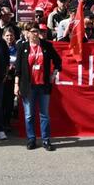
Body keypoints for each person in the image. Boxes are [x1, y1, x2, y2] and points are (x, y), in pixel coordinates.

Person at [14, 22, 62, 152]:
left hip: (43, 85)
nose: (36, 34)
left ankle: (46, 140)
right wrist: (16, 85)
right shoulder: (22, 47)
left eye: (37, 31)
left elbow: (58, 61)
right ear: (28, 33)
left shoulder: (46, 45)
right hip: (28, 86)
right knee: (29, 115)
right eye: (33, 31)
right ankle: (31, 139)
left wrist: (54, 74)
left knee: (44, 114)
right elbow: (17, 68)